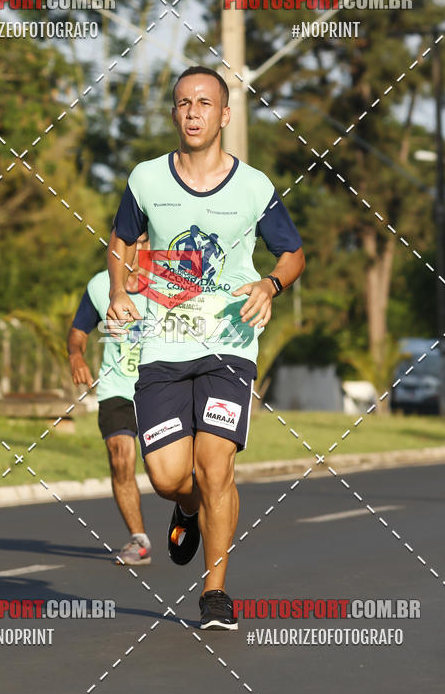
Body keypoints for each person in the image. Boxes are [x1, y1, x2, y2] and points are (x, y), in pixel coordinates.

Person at [107, 66, 305, 630]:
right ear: (174, 113)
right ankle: (185, 507)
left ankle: (214, 591)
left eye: (204, 103)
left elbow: (292, 253)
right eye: (183, 103)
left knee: (215, 467)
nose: (193, 112)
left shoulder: (254, 187)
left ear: (224, 115)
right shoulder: (146, 179)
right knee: (169, 477)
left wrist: (270, 285)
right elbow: (120, 241)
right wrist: (119, 292)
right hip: (162, 345)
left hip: (229, 345)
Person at [68, 233, 152, 566]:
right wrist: (76, 355)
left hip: (162, 388)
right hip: (117, 389)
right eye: (132, 242)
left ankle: (188, 513)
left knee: (169, 474)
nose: (137, 249)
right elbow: (78, 332)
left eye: (144, 242)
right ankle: (139, 539)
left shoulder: (171, 286)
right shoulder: (100, 286)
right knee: (121, 457)